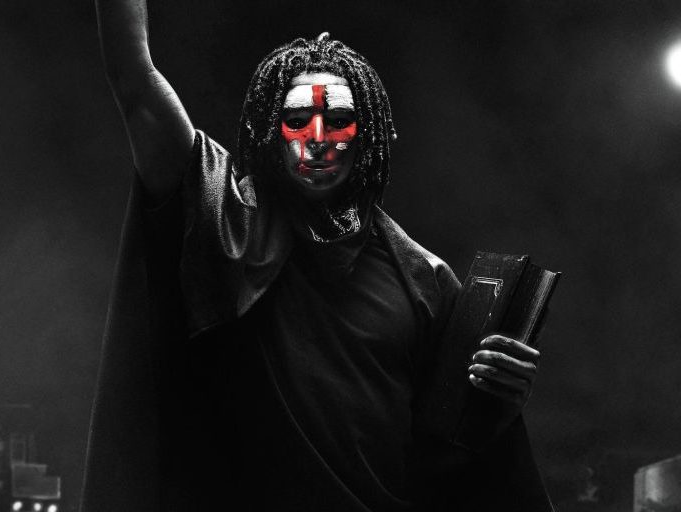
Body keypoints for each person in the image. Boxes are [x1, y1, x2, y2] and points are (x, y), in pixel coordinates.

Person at [82, 1, 553, 510]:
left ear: (368, 133)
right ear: (270, 131)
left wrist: (500, 398)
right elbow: (135, 80)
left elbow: (455, 456)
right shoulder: (227, 219)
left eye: (340, 119)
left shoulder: (425, 281)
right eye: (297, 120)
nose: (319, 139)